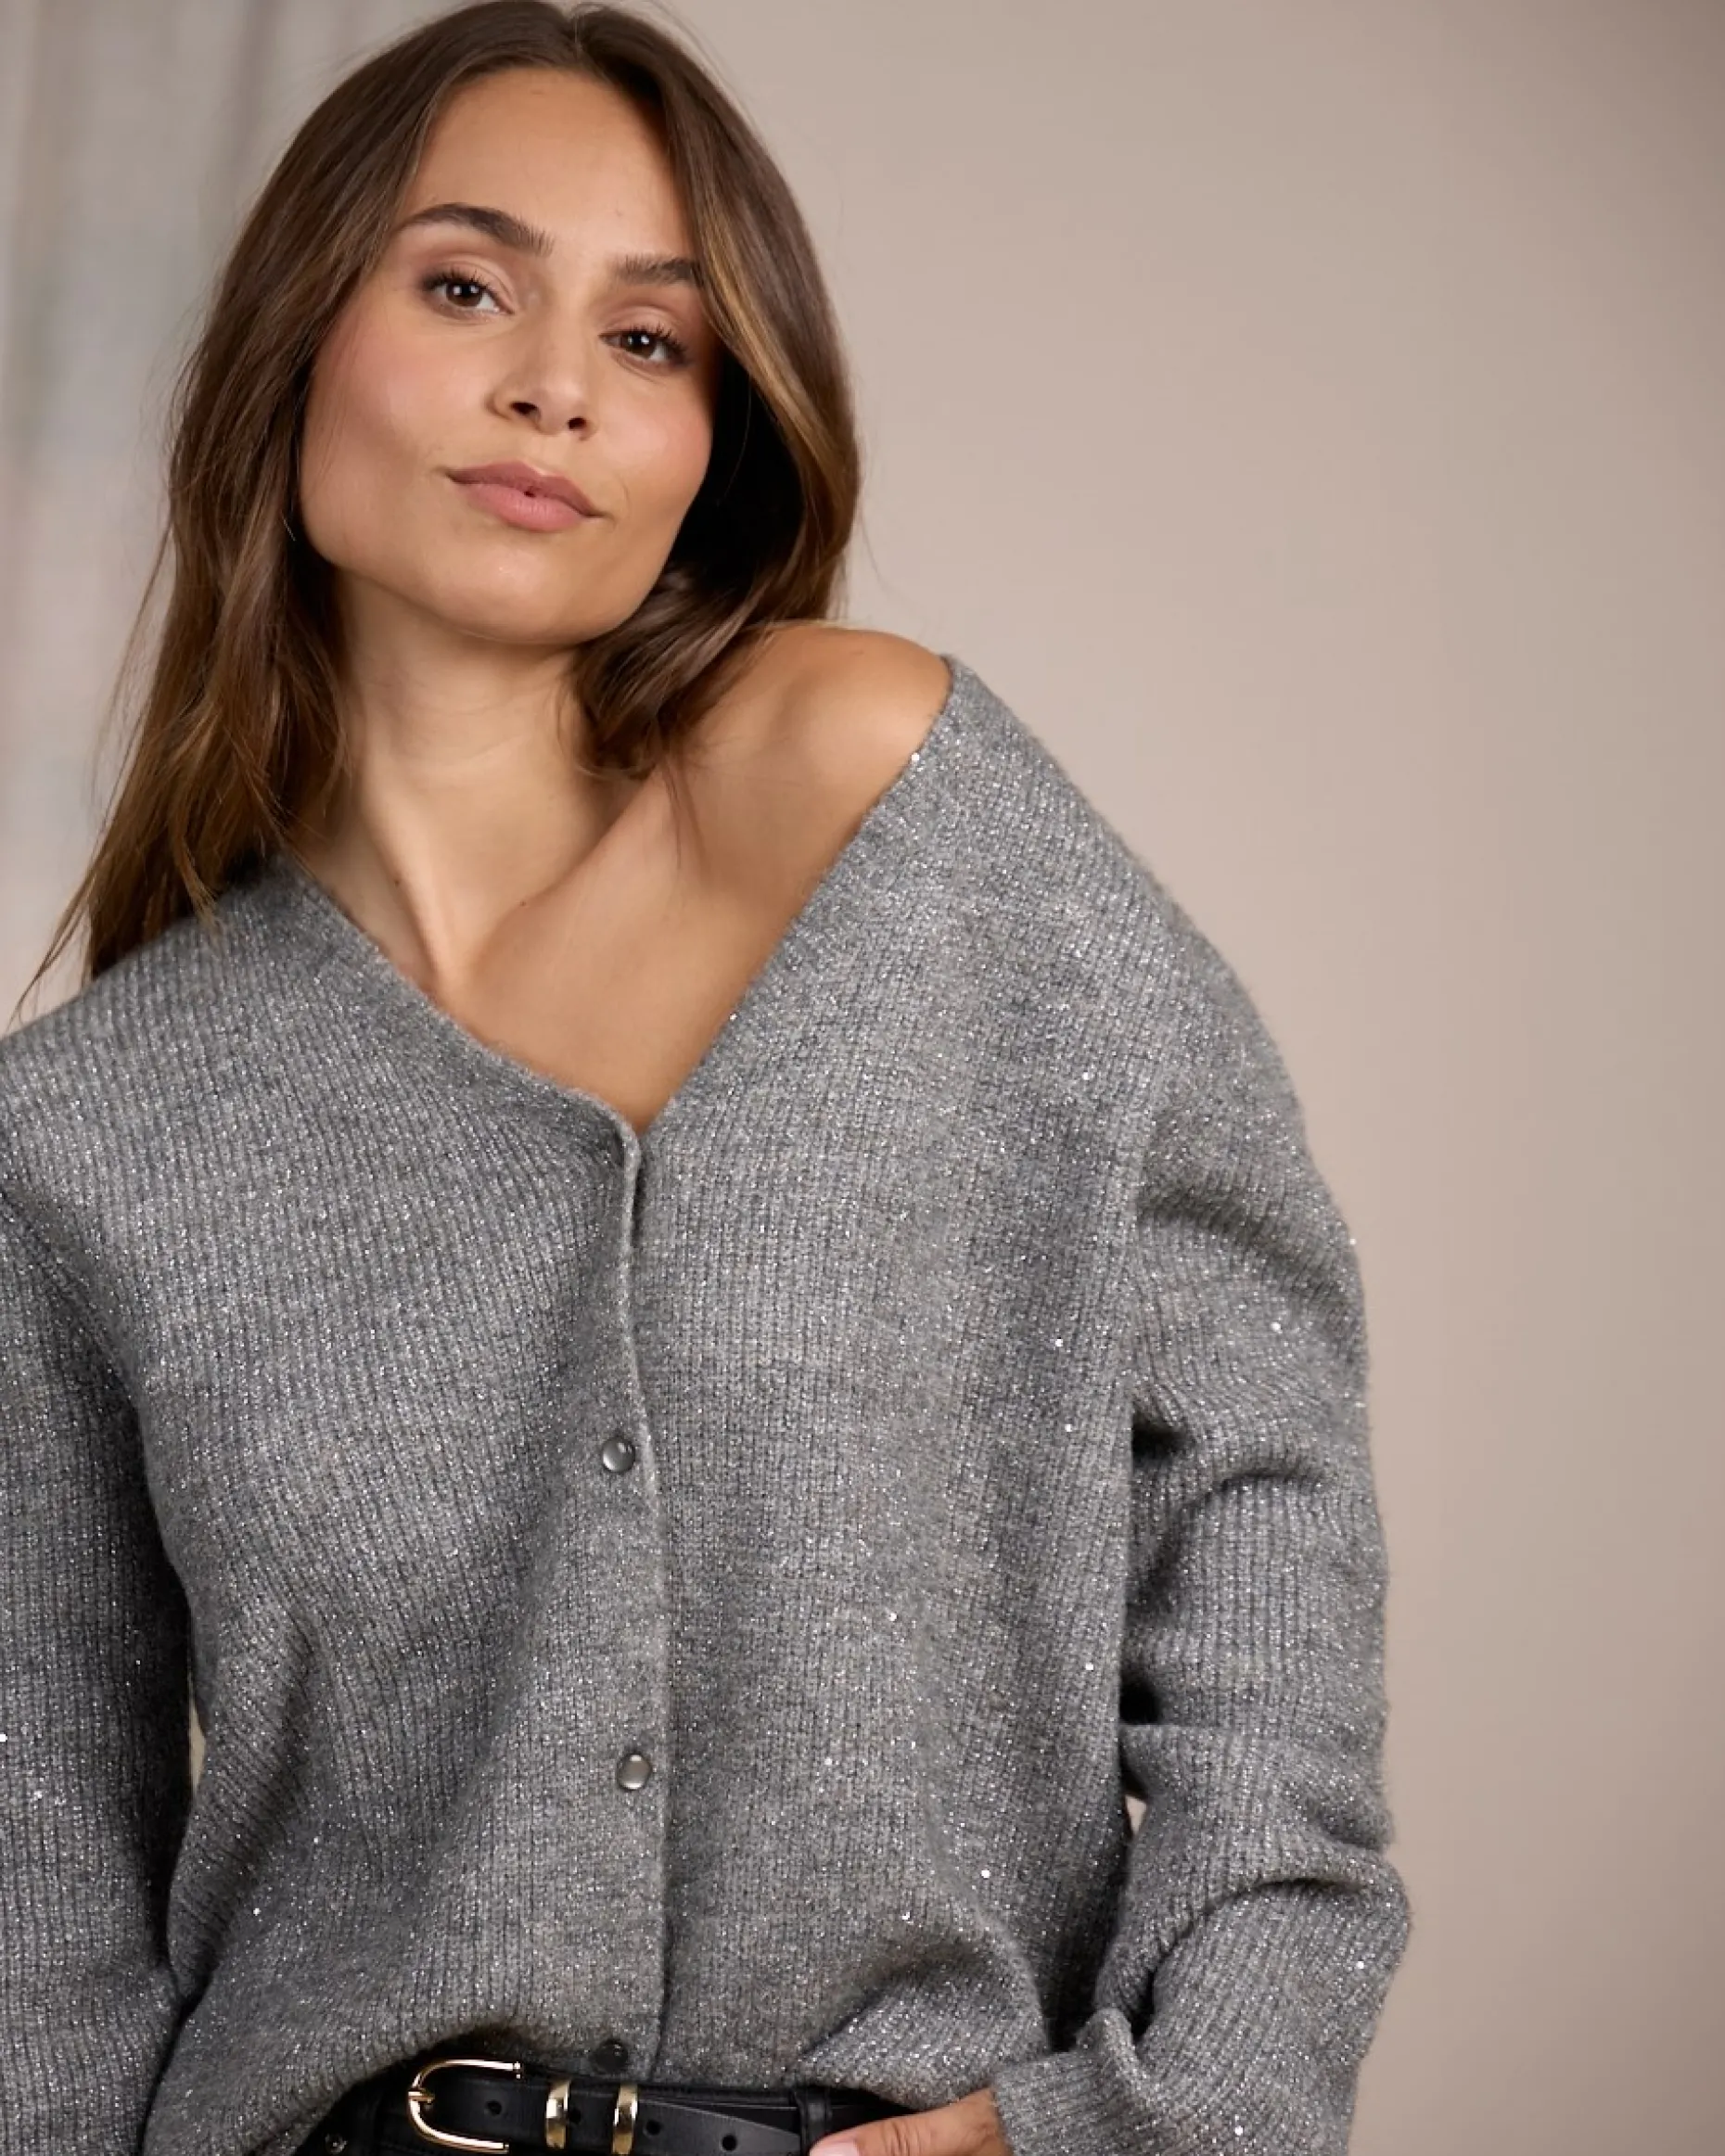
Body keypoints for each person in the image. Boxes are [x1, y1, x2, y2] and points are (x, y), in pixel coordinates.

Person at [0, 4, 1411, 2153]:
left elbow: (1257, 1462)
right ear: (297, 342)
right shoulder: (88, 1134)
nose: (555, 384)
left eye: (650, 340)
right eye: (464, 287)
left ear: (708, 441)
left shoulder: (878, 793)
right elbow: (34, 1892)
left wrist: (1188, 2099)